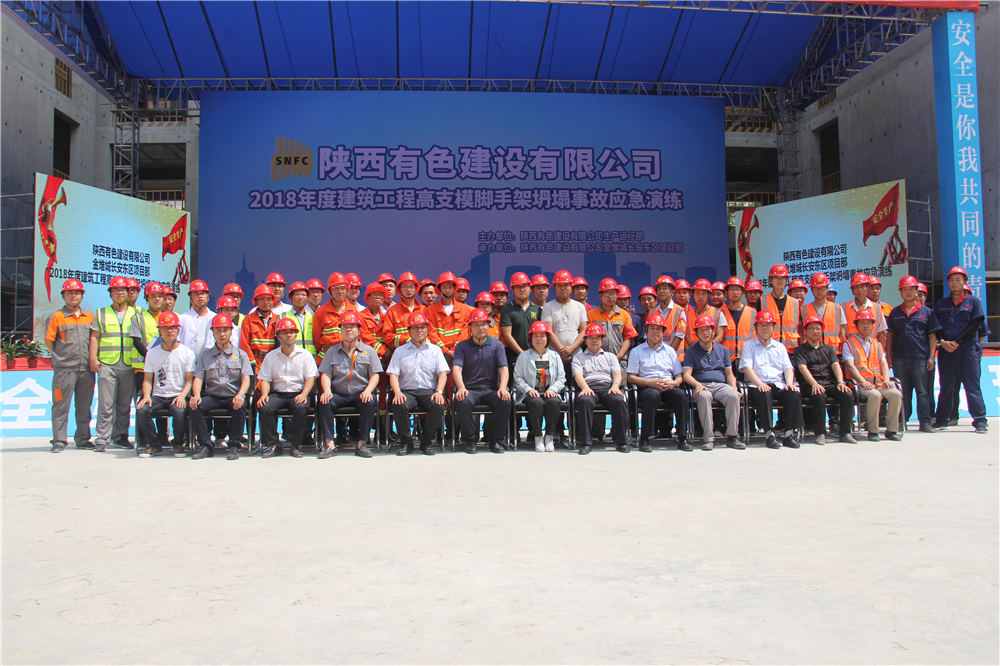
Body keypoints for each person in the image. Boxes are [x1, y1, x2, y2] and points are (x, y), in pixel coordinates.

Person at [316, 310, 381, 459]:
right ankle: (330, 445)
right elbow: (326, 374)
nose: (348, 330)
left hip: (360, 393)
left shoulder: (369, 351)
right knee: (324, 402)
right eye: (344, 327)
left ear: (359, 329)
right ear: (340, 330)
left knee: (370, 402)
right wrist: (327, 391)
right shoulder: (332, 351)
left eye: (352, 326)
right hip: (338, 394)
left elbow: (375, 375)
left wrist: (368, 391)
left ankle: (362, 444)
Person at [932, 266, 988, 433]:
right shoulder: (942, 304)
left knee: (972, 387)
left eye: (958, 280)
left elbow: (975, 325)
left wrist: (957, 341)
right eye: (951, 280)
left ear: (965, 281)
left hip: (967, 351)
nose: (954, 283)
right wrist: (943, 342)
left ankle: (980, 421)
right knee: (946, 387)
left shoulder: (974, 302)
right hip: (947, 352)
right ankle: (942, 419)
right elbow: (936, 326)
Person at [189, 314, 252, 460]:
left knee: (240, 407)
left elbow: (246, 379)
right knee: (195, 407)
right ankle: (205, 445)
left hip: (232, 396)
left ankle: (234, 445)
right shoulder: (205, 355)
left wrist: (241, 395)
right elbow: (198, 377)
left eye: (225, 330)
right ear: (213, 332)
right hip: (213, 396)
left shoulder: (241, 354)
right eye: (218, 330)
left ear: (231, 331)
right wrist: (196, 395)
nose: (222, 334)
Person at [386, 311, 449, 456]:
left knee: (438, 405)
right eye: (415, 327)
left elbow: (443, 373)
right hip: (407, 392)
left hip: (428, 391)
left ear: (427, 329)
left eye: (422, 327)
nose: (419, 331)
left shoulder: (435, 350)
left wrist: (439, 392)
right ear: (409, 331)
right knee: (399, 404)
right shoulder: (400, 351)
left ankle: (426, 442)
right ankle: (406, 442)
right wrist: (397, 393)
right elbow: (393, 375)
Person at [739, 310, 804, 449]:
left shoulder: (780, 347)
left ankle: (789, 434)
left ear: (773, 327)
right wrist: (759, 384)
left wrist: (789, 383)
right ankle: (769, 434)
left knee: (793, 393)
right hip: (757, 385)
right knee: (764, 393)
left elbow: (788, 368)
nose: (765, 328)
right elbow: (747, 368)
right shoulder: (748, 346)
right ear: (756, 327)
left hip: (778, 383)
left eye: (768, 325)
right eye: (761, 325)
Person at [89, 275, 139, 453]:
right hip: (107, 364)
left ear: (128, 292)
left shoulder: (136, 313)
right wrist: (93, 358)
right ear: (110, 293)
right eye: (116, 290)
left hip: (129, 364)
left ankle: (121, 437)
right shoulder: (101, 313)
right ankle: (102, 438)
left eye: (123, 290)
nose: (120, 293)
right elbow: (94, 337)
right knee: (106, 405)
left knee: (124, 405)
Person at [44, 278, 95, 452]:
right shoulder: (56, 317)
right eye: (70, 293)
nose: (74, 296)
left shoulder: (89, 317)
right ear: (63, 295)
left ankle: (83, 439)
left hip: (86, 370)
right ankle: (59, 441)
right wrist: (60, 358)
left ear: (82, 295)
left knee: (84, 406)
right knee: (60, 406)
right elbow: (49, 342)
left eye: (77, 292)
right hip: (64, 371)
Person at [886, 275, 941, 433]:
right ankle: (902, 420)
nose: (908, 292)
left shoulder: (927, 312)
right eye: (905, 290)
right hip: (900, 358)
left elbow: (932, 336)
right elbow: (890, 336)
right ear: (900, 292)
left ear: (917, 291)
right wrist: (889, 356)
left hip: (920, 358)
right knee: (903, 392)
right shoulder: (895, 313)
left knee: (923, 391)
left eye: (911, 289)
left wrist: (931, 357)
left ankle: (925, 422)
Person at [256, 317, 318, 458]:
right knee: (265, 407)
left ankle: (296, 446)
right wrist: (264, 394)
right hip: (278, 394)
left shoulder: (305, 355)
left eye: (291, 332)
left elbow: (310, 378)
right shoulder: (271, 356)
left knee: (301, 408)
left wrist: (304, 394)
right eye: (284, 332)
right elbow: (265, 379)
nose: (289, 335)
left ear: (296, 334)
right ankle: (273, 445)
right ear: (278, 336)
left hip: (298, 392)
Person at [629, 312, 691, 452]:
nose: (655, 332)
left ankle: (683, 437)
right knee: (652, 395)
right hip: (647, 386)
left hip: (668, 385)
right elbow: (631, 377)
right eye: (652, 328)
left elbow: (679, 377)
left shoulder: (670, 351)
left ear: (663, 332)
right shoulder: (637, 351)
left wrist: (673, 383)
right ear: (646, 331)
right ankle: (645, 438)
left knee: (681, 395)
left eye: (658, 329)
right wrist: (649, 383)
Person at [452, 308, 511, 454]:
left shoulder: (497, 345)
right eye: (476, 325)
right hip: (470, 390)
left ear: (489, 326)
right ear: (470, 328)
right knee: (462, 401)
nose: (481, 328)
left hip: (490, 389)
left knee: (505, 401)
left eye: (484, 324)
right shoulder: (462, 346)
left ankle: (496, 440)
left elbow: (503, 368)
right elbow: (457, 369)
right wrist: (461, 387)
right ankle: (470, 441)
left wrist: (503, 387)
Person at [136, 311, 194, 458]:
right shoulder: (152, 353)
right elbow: (147, 380)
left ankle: (178, 444)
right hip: (158, 395)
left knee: (179, 411)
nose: (169, 331)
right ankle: (154, 445)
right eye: (165, 327)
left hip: (178, 394)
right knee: (142, 410)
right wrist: (146, 396)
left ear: (178, 330)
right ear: (159, 331)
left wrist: (182, 396)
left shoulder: (187, 352)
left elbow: (189, 380)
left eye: (173, 327)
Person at [681, 313, 742, 450]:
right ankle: (708, 438)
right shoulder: (691, 351)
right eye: (701, 330)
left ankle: (732, 436)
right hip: (702, 385)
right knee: (704, 397)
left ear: (714, 331)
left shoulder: (723, 350)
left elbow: (729, 373)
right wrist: (698, 385)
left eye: (708, 329)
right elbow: (686, 375)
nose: (705, 333)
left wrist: (734, 388)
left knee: (733, 396)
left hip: (721, 385)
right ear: (696, 333)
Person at [793, 315, 857, 444]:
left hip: (829, 383)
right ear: (806, 331)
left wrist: (840, 382)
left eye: (818, 328)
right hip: (810, 384)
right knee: (819, 395)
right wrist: (814, 384)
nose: (815, 331)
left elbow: (835, 365)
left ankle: (845, 432)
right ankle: (820, 432)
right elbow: (802, 368)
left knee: (847, 395)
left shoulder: (828, 349)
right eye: (812, 328)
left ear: (822, 331)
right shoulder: (800, 350)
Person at [842, 309, 903, 441]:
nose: (866, 326)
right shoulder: (849, 343)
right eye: (863, 323)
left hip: (879, 383)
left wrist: (886, 379)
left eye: (869, 323)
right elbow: (850, 365)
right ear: (857, 325)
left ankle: (891, 430)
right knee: (875, 395)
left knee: (896, 394)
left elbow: (883, 364)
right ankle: (873, 430)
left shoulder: (877, 344)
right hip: (861, 384)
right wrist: (863, 381)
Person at [572, 323, 630, 454]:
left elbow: (617, 374)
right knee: (584, 401)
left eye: (597, 338)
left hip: (607, 387)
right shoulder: (578, 358)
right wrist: (585, 388)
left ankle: (622, 442)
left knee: (619, 401)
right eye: (591, 338)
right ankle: (586, 443)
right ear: (585, 340)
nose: (594, 341)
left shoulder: (610, 356)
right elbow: (578, 375)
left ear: (602, 340)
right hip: (588, 387)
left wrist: (615, 386)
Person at [513, 321, 566, 452]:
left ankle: (549, 437)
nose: (539, 339)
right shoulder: (524, 356)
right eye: (535, 336)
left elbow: (561, 377)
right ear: (530, 338)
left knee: (554, 402)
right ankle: (537, 437)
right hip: (530, 393)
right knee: (536, 402)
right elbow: (517, 377)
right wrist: (528, 389)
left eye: (542, 336)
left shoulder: (555, 356)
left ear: (547, 338)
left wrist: (553, 389)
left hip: (550, 392)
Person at [129, 281, 168, 451]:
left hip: (164, 369)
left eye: (160, 296)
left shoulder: (168, 316)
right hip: (143, 369)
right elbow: (137, 341)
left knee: (163, 402)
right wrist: (151, 359)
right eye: (153, 296)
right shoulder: (138, 318)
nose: (157, 299)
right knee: (143, 404)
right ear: (146, 298)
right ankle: (142, 440)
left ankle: (163, 437)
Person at [541, 270, 588, 375]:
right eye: (559, 285)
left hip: (577, 355)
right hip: (553, 355)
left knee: (578, 383)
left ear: (571, 286)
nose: (563, 288)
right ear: (554, 287)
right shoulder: (548, 307)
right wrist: (562, 350)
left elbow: (584, 331)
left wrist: (571, 349)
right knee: (547, 383)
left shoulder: (579, 306)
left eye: (566, 285)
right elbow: (548, 330)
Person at [424, 271, 472, 361]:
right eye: (444, 287)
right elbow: (431, 333)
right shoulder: (429, 310)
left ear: (454, 288)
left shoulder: (465, 310)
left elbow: (465, 332)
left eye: (450, 287)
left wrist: (454, 350)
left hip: (459, 354)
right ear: (440, 289)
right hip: (436, 355)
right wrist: (444, 350)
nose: (447, 290)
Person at [313, 272, 358, 364]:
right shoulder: (321, 312)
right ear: (330, 291)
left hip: (348, 356)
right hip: (327, 358)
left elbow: (358, 334)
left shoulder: (353, 310)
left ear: (347, 289)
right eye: (336, 288)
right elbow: (316, 339)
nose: (340, 291)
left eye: (343, 288)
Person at [500, 272, 542, 368]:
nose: (522, 289)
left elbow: (543, 335)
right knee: (517, 379)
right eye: (518, 287)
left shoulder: (537, 309)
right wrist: (523, 355)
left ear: (530, 288)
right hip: (515, 359)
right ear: (512, 290)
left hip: (537, 358)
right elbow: (507, 335)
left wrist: (537, 354)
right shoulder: (507, 310)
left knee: (540, 378)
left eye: (524, 286)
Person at [800, 273, 846, 352]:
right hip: (811, 352)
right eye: (816, 288)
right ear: (812, 290)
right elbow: (800, 332)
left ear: (827, 289)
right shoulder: (804, 309)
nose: (819, 291)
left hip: (833, 352)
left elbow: (842, 333)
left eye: (822, 288)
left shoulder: (837, 308)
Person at [240, 284, 279, 373]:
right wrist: (252, 363)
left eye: (268, 299)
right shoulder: (248, 320)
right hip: (255, 364)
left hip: (273, 364)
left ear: (273, 300)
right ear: (256, 301)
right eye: (262, 299)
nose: (266, 302)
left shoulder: (278, 319)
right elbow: (244, 344)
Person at [762, 264, 800, 351]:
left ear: (786, 280)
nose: (779, 281)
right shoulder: (762, 301)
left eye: (782, 278)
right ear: (770, 280)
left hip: (791, 352)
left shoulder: (795, 303)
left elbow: (800, 329)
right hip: (768, 350)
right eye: (776, 277)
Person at [382, 271, 423, 351]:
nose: (408, 289)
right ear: (400, 290)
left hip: (422, 351)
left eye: (411, 286)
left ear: (416, 289)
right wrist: (406, 340)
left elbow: (431, 333)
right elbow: (387, 336)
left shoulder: (424, 310)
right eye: (405, 287)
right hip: (401, 353)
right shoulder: (392, 311)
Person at [843, 272, 887, 346]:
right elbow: (842, 333)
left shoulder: (877, 308)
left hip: (872, 349)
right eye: (856, 287)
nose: (859, 290)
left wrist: (882, 351)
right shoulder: (844, 308)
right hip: (852, 349)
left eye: (862, 286)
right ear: (852, 290)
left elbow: (881, 333)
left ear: (867, 288)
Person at [721, 276, 755, 363]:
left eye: (738, 289)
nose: (735, 292)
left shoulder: (752, 312)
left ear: (742, 292)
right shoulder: (720, 312)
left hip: (747, 359)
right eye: (732, 289)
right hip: (725, 360)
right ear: (727, 292)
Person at [280, 281, 317, 358]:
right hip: (291, 358)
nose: (300, 297)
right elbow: (278, 341)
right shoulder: (283, 317)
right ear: (291, 297)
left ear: (307, 297)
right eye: (297, 294)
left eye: (303, 295)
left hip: (311, 358)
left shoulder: (314, 316)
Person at [178, 279, 214, 354]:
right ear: (190, 297)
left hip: (210, 360)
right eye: (196, 294)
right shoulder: (182, 319)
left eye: (202, 293)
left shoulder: (214, 318)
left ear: (207, 295)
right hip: (187, 360)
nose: (200, 296)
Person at [653, 275, 687, 353]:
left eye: (665, 288)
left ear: (672, 291)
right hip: (656, 356)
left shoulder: (680, 311)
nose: (661, 291)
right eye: (659, 289)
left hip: (675, 357)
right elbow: (648, 336)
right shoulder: (652, 312)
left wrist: (667, 355)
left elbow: (679, 335)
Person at [359, 282, 388, 358]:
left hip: (385, 359)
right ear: (368, 297)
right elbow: (366, 339)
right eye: (375, 294)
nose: (378, 297)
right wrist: (384, 351)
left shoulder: (386, 317)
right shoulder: (360, 317)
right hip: (366, 356)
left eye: (381, 295)